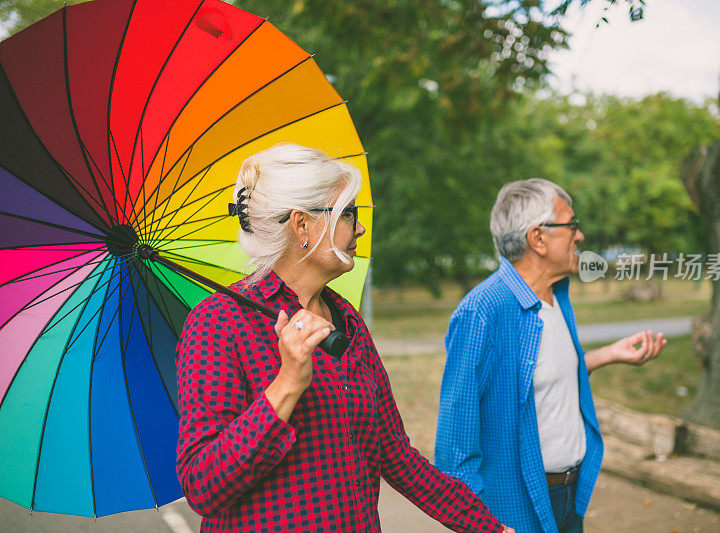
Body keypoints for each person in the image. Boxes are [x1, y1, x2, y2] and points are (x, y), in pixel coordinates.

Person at [176, 144, 514, 532]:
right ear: (302, 225)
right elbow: (202, 487)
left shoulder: (347, 321)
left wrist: (491, 528)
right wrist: (286, 386)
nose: (360, 227)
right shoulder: (220, 323)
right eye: (347, 213)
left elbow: (397, 457)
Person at [435, 179, 667, 533]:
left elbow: (543, 377)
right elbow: (456, 441)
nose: (580, 236)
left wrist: (608, 354)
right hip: (513, 508)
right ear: (538, 238)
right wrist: (477, 524)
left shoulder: (557, 296)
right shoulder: (483, 311)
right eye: (571, 225)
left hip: (568, 498)